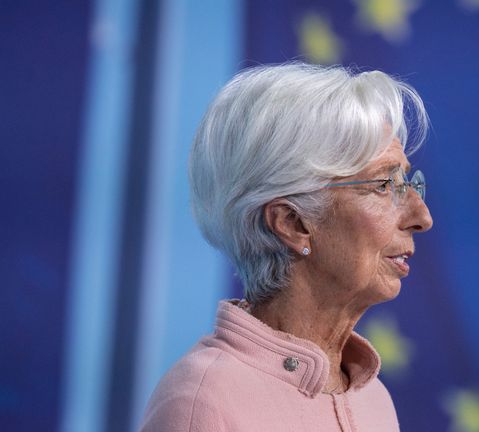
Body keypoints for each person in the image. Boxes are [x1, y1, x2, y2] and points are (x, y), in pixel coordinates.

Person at [139, 62, 433, 431]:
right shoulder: (203, 404)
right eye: (382, 186)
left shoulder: (374, 400)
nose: (422, 216)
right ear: (292, 223)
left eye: (407, 182)